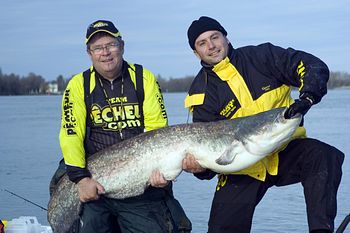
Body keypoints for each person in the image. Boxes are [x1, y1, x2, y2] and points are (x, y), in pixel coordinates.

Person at [182, 16, 344, 233]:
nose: (211, 46)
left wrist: (307, 97)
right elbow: (209, 156)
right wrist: (199, 169)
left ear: (226, 38)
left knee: (323, 156)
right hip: (241, 168)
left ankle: (321, 230)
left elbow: (311, 65)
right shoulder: (200, 93)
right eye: (202, 43)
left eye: (215, 37)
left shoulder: (263, 57)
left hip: (284, 150)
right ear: (196, 53)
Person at [56, 20, 191, 233]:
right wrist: (81, 179)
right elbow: (71, 133)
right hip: (94, 182)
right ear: (89, 53)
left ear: (122, 46)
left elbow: (157, 131)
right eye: (98, 48)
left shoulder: (143, 78)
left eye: (111, 45)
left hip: (140, 183)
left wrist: (159, 170)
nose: (105, 52)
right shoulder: (78, 85)